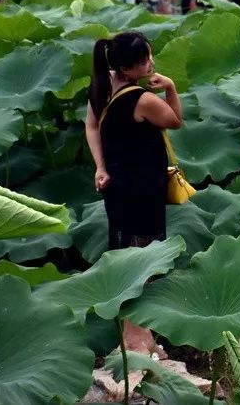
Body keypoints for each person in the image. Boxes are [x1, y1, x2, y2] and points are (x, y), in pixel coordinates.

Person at [85, 31, 182, 355]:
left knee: (124, 250)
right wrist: (170, 87)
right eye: (144, 61)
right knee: (145, 256)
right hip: (143, 186)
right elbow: (175, 121)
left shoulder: (100, 85)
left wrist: (100, 167)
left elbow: (91, 126)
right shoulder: (142, 100)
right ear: (127, 69)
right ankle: (137, 336)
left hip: (115, 185)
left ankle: (135, 333)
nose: (151, 63)